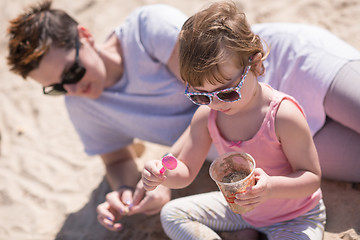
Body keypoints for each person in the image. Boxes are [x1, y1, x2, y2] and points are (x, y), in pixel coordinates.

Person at [6, 0, 359, 233]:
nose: (71, 89)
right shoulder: (83, 105)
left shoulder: (146, 31)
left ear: (85, 36)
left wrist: (168, 163)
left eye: (71, 72)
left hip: (282, 72)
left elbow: (212, 83)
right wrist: (133, 191)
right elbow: (118, 159)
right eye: (55, 87)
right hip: (250, 135)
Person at [142, 2, 326, 239]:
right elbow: (186, 171)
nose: (216, 103)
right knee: (172, 214)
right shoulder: (207, 116)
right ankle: (247, 230)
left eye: (227, 92)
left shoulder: (282, 115)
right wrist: (162, 175)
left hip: (295, 216)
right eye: (201, 95)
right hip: (240, 210)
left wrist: (270, 188)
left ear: (256, 64)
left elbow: (311, 179)